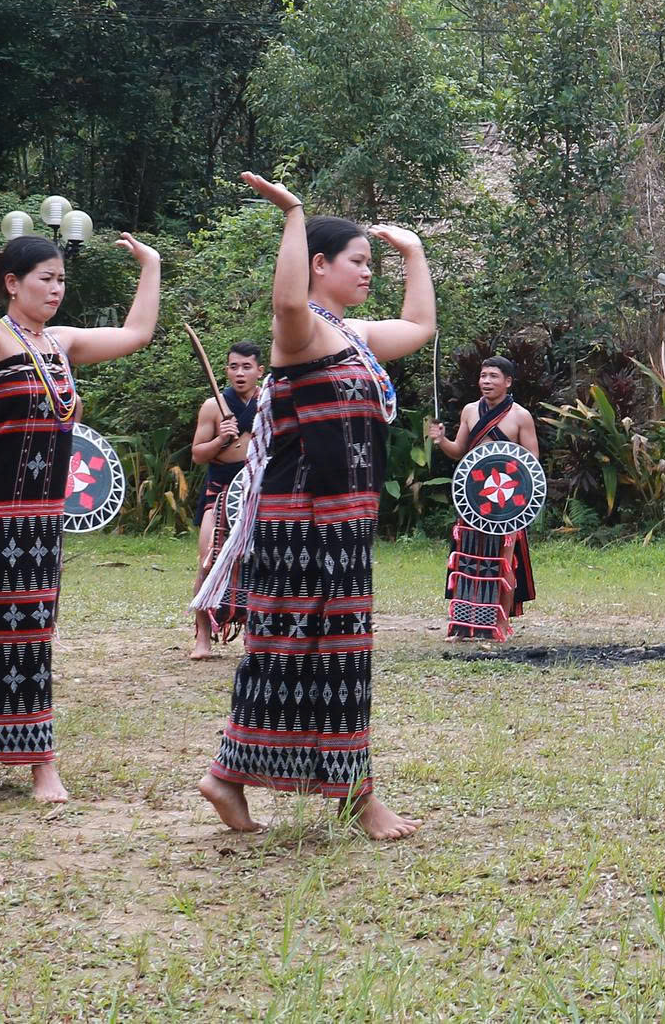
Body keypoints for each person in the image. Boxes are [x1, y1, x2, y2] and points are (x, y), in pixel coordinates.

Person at [196, 176, 433, 839]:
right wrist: (294, 215)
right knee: (313, 650)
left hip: (341, 522)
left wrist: (413, 253)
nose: (366, 270)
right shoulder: (299, 335)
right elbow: (285, 298)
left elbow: (419, 325)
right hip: (302, 521)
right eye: (356, 260)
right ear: (319, 265)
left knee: (311, 652)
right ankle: (354, 796)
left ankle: (229, 775)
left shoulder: (350, 334)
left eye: (370, 261)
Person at [0, 211, 162, 804]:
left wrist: (150, 268)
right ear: (13, 283)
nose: (55, 289)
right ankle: (38, 763)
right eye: (45, 278)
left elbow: (137, 335)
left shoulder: (63, 343)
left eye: (61, 281)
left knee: (31, 633)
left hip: (40, 519)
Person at [428, 355, 541, 643]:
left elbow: (531, 462)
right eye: (483, 376)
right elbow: (459, 452)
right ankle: (462, 626)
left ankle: (497, 626)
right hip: (474, 496)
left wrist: (512, 486)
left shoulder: (520, 416)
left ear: (508, 382)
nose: (486, 381)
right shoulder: (469, 411)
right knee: (467, 558)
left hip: (507, 499)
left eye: (493, 376)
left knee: (502, 561)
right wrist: (441, 440)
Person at [187, 341, 262, 659]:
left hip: (258, 488)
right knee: (208, 561)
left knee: (264, 565)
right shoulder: (212, 406)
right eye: (234, 366)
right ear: (226, 369)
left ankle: (256, 637)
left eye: (246, 367)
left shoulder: (269, 402)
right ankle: (202, 638)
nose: (240, 373)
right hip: (220, 489)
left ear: (260, 370)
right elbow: (197, 454)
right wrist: (221, 438)